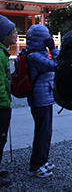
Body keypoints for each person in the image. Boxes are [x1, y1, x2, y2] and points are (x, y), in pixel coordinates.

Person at [26, 25, 59, 178]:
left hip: (44, 96)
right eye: (47, 38)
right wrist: (53, 49)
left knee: (45, 132)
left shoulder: (36, 53)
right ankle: (36, 166)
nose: (49, 40)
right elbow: (58, 66)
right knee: (42, 133)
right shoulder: (34, 56)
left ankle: (42, 160)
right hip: (40, 99)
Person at [0, 16, 17, 187]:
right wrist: (5, 103)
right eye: (12, 31)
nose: (16, 34)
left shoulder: (3, 52)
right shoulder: (0, 54)